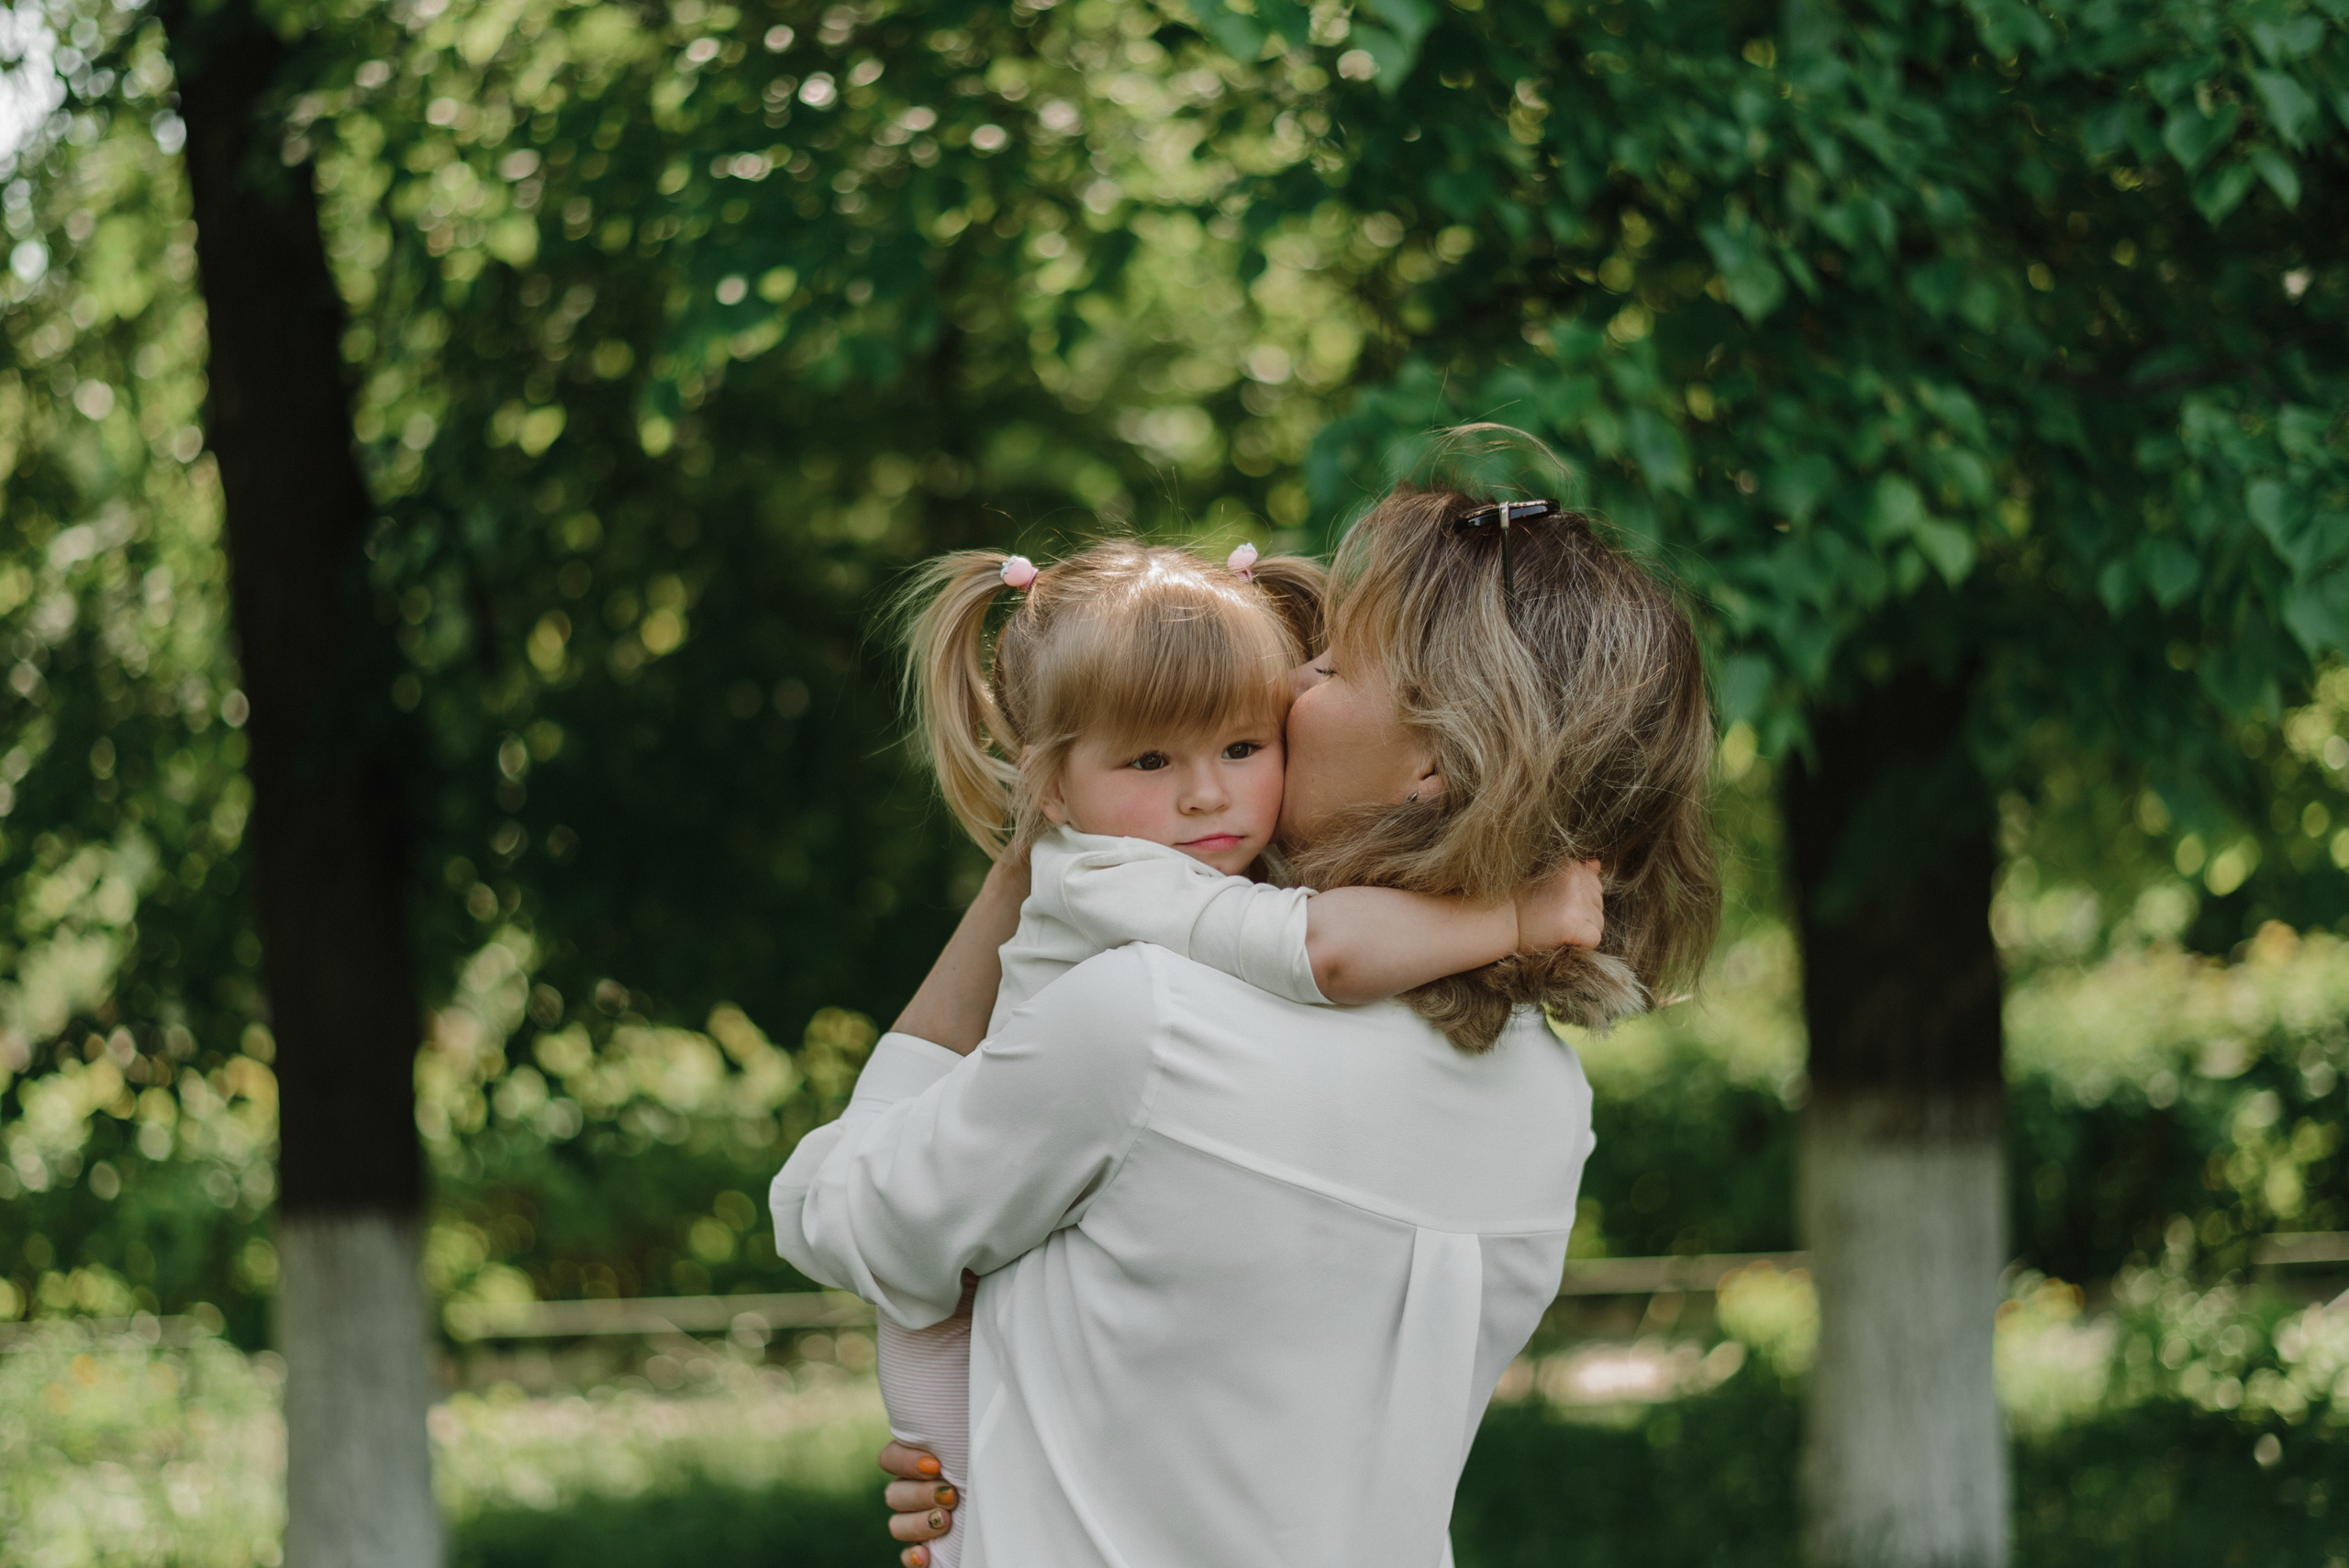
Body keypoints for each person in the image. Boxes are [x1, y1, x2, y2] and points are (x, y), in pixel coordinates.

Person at [774, 428, 1720, 1567]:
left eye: (1332, 667)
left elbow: (833, 1210)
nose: (1288, 683)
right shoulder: (1549, 1102)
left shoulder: (1148, 1025)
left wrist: (1033, 857)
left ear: (1431, 760)